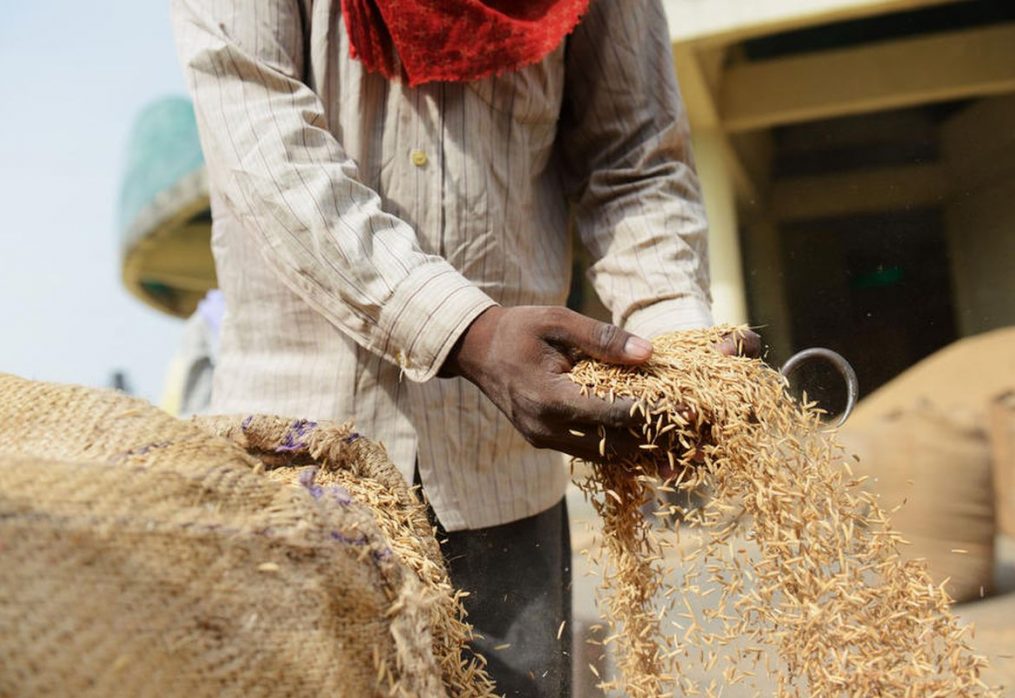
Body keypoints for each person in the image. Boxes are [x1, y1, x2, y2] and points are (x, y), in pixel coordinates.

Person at [171, 1, 761, 694]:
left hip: (503, 483)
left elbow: (631, 155)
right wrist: (463, 331)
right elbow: (261, 141)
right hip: (297, 463)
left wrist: (669, 334)